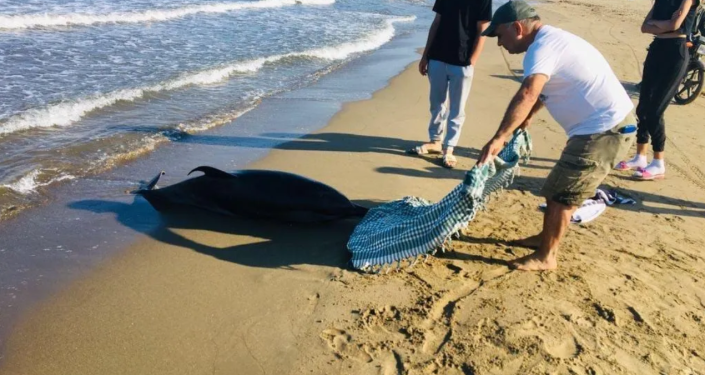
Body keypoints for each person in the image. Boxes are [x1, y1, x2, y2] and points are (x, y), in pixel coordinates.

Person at [477, 0, 636, 271]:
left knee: (563, 195)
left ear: (517, 27)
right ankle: (544, 239)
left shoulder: (541, 48)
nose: (499, 43)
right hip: (601, 128)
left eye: (500, 36)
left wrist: (500, 136)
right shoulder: (551, 41)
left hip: (603, 131)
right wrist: (527, 117)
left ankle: (546, 256)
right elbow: (544, 90)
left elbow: (529, 91)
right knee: (556, 189)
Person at [615, 0, 700, 180]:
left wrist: (658, 25)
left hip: (676, 53)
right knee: (643, 107)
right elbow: (644, 27)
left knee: (655, 111)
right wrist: (665, 26)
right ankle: (640, 157)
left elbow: (675, 25)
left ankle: (659, 163)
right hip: (656, 49)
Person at [408, 0, 492, 169]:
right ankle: (435, 141)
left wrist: (472, 61)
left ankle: (449, 148)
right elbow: (437, 21)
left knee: (457, 107)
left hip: (462, 61)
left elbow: (482, 29)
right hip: (437, 56)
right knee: (436, 103)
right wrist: (425, 55)